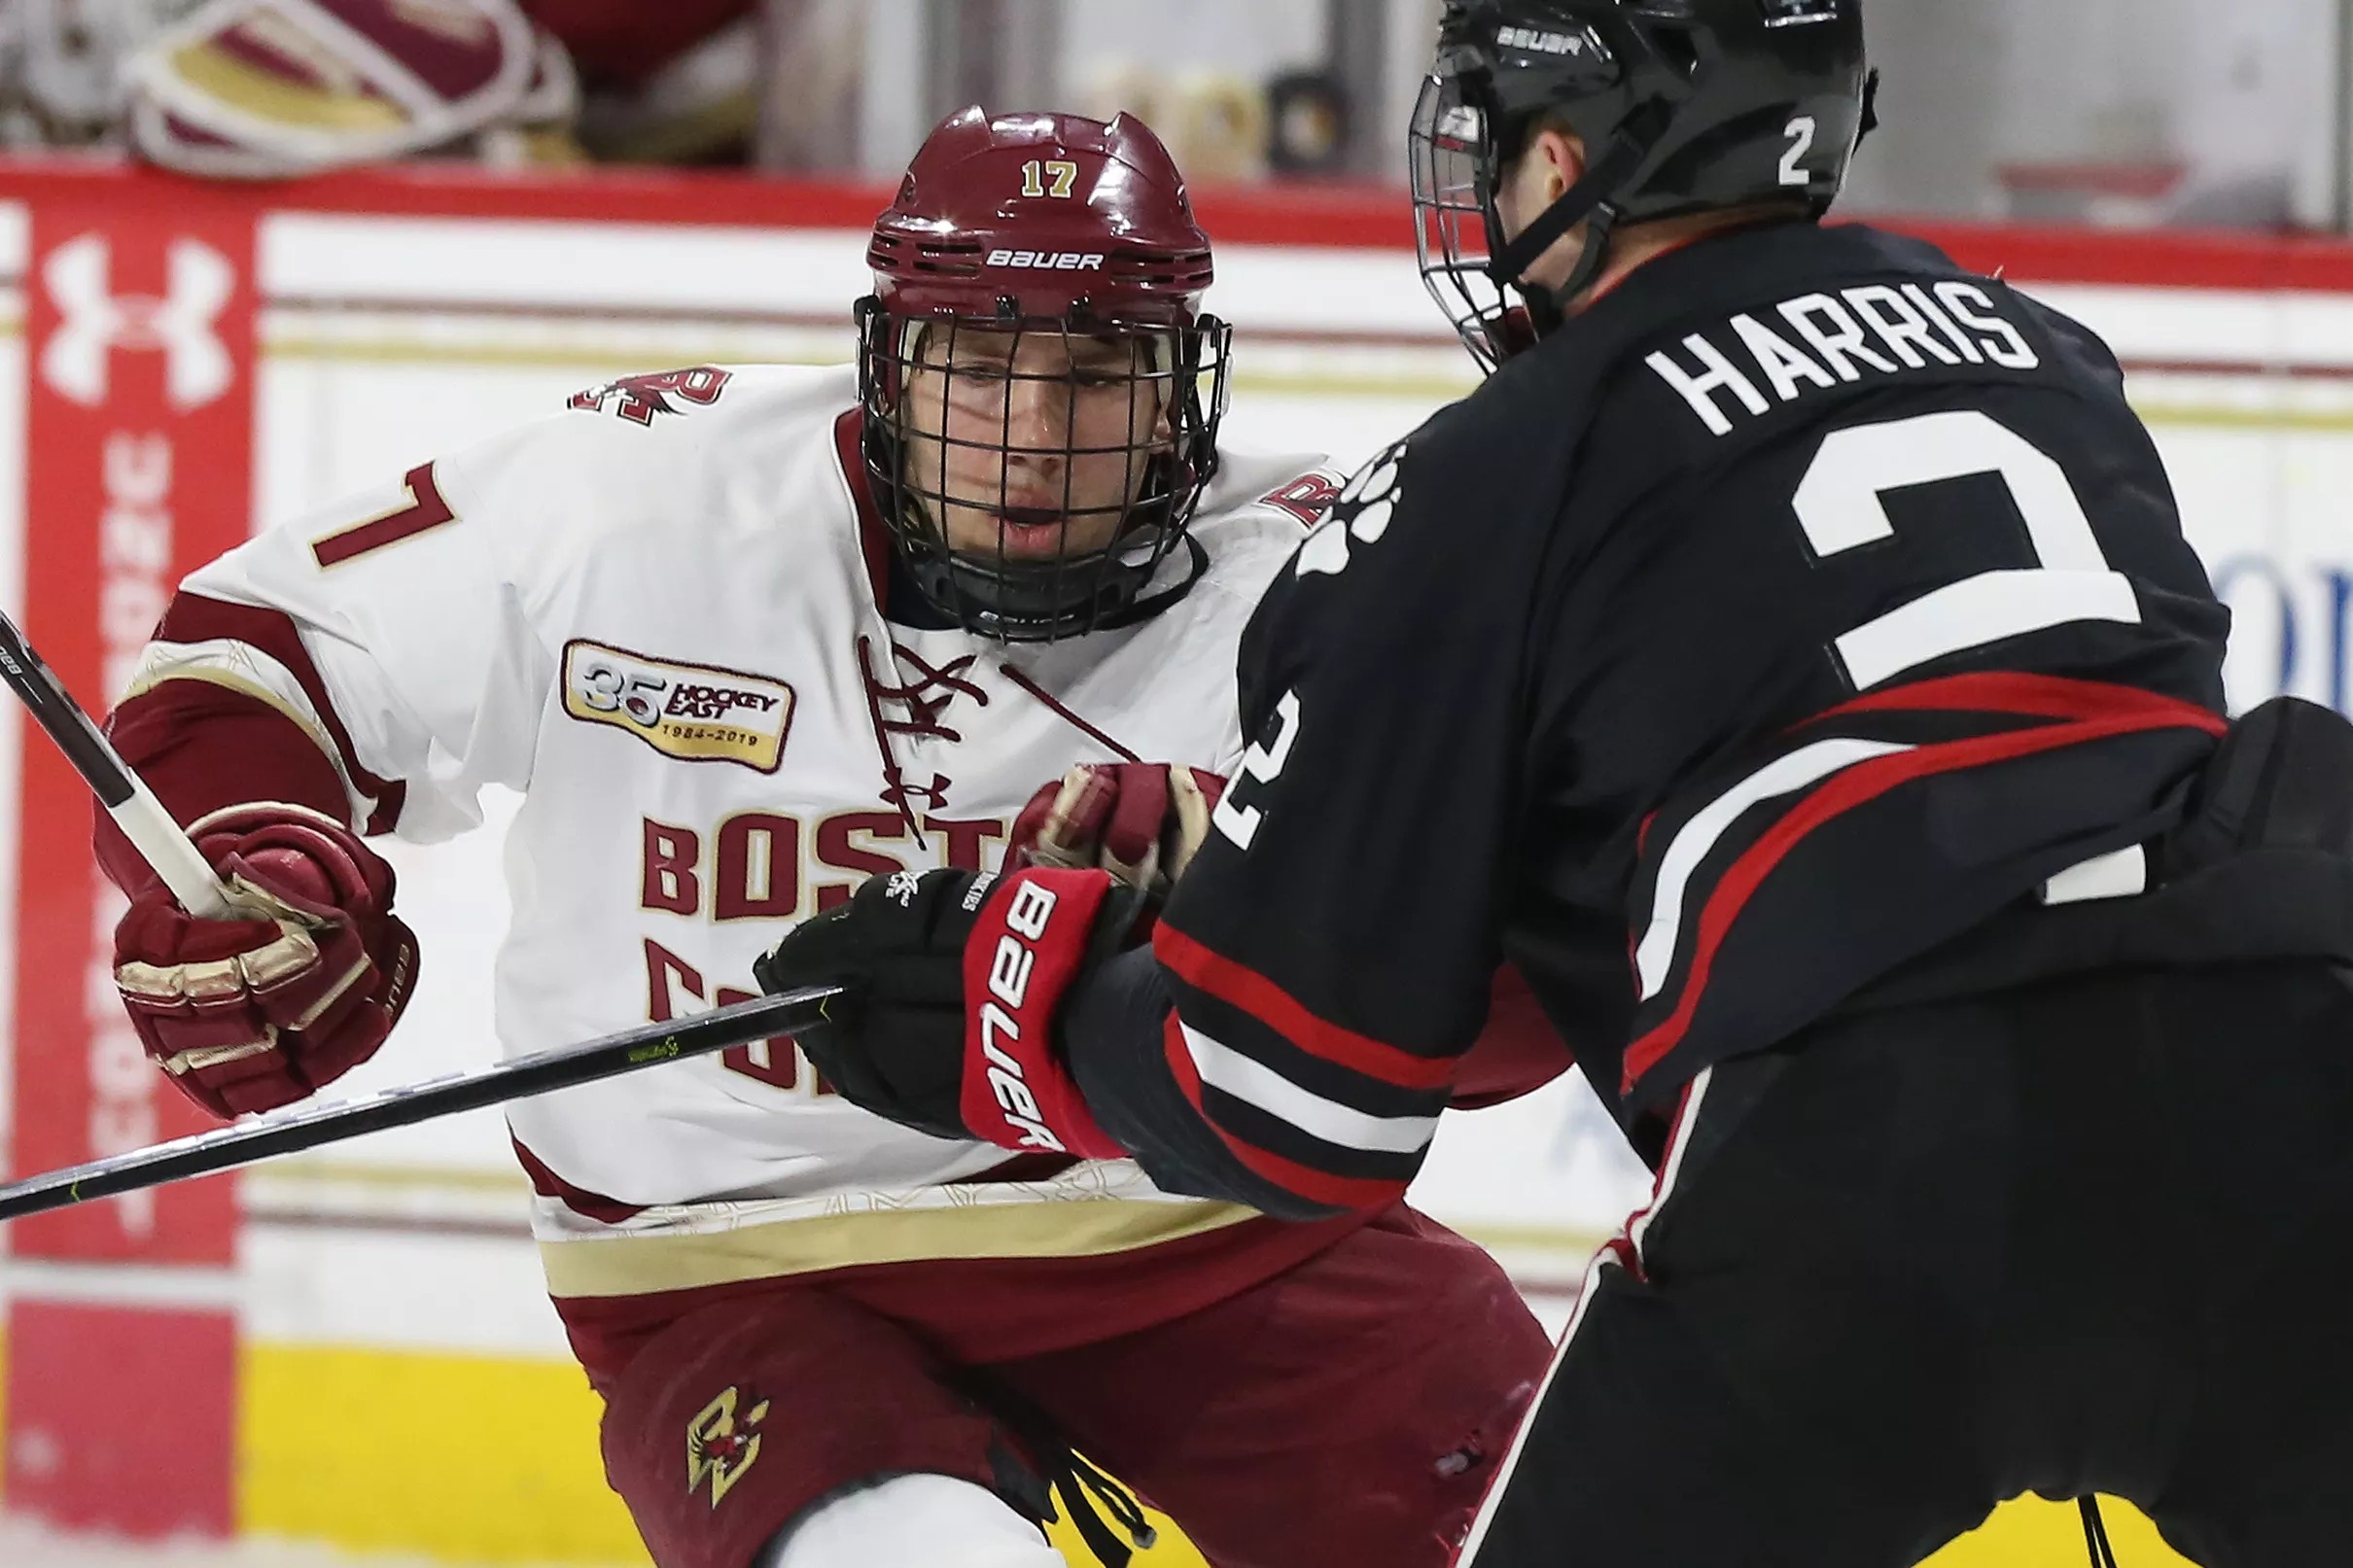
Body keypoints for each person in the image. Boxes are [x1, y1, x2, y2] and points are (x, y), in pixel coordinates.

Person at [754, 7, 2353, 1567]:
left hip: (1881, 1169)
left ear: (1578, 156)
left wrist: (1007, 1012)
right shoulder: (2046, 359)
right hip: (2286, 1073)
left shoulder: (1491, 470)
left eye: (1505, 149)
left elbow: (1296, 1099)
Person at [96, 107, 1555, 1568]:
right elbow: (257, 650)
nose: (1031, 437)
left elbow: (1511, 1006)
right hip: (730, 1261)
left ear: (1184, 382)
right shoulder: (643, 499)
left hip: (1199, 1238)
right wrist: (253, 868)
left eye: (1098, 368)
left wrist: (1306, 916)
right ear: (888, 358)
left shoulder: (1307, 575)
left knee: (1582, 1514)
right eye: (981, 363)